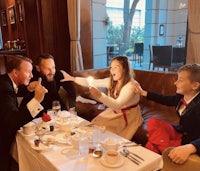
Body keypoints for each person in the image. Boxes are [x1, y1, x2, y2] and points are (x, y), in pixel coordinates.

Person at [61, 56, 143, 140]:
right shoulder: (112, 81)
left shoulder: (131, 86)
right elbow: (92, 82)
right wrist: (72, 78)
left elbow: (117, 105)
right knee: (95, 125)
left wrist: (99, 95)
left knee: (109, 135)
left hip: (129, 115)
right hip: (115, 111)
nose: (112, 70)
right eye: (111, 67)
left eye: (116, 67)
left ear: (124, 69)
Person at [134, 64, 200, 164]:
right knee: (153, 122)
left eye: (180, 80)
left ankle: (160, 157)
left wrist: (192, 147)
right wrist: (144, 93)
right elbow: (166, 99)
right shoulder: (181, 96)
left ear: (194, 85)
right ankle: (167, 152)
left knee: (152, 143)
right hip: (180, 132)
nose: (175, 83)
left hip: (191, 141)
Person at [0, 56, 47, 171]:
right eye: (28, 72)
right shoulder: (4, 89)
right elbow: (13, 121)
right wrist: (36, 100)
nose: (31, 76)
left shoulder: (5, 80)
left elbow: (14, 91)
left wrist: (28, 89)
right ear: (15, 72)